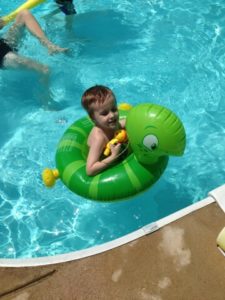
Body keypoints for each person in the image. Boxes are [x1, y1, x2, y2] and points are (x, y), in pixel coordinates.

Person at [0, 9, 68, 73]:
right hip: (5, 58)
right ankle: (47, 84)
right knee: (44, 69)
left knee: (24, 14)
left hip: (4, 44)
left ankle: (50, 46)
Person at [81, 85, 126, 176]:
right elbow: (90, 170)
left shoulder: (114, 124)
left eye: (114, 109)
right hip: (103, 158)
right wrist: (113, 157)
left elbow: (128, 122)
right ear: (93, 118)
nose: (112, 115)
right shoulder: (99, 138)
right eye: (105, 113)